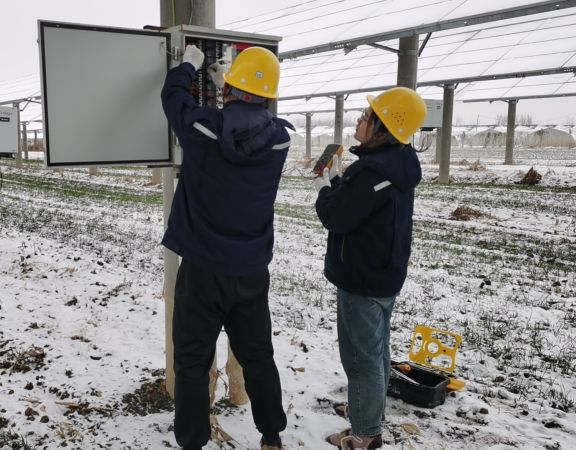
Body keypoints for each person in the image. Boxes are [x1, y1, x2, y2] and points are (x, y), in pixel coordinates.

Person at [161, 44, 292, 450]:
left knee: (192, 359)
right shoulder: (279, 142)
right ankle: (271, 435)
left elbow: (173, 98)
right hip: (251, 271)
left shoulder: (203, 129)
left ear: (230, 90)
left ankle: (192, 441)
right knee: (258, 355)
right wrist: (229, 90)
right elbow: (248, 125)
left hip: (202, 271)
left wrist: (188, 65)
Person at [312, 87, 427, 450]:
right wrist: (338, 182)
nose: (359, 121)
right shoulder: (396, 163)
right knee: (376, 350)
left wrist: (323, 186)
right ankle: (367, 409)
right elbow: (358, 204)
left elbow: (337, 216)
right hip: (384, 272)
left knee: (361, 358)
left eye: (366, 117)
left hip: (362, 277)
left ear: (383, 127)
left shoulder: (373, 171)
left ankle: (365, 434)